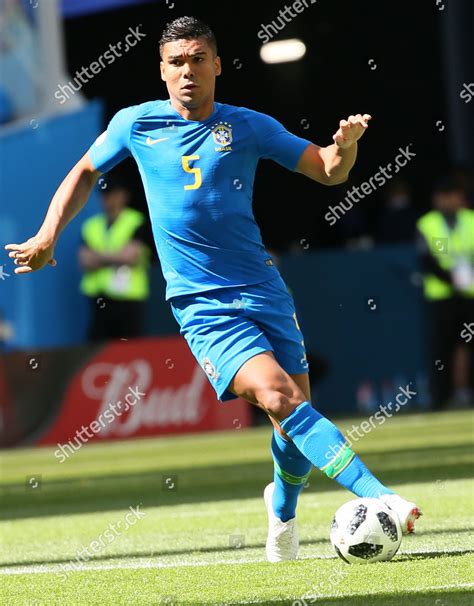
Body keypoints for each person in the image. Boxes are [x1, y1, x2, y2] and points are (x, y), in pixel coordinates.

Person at [4, 16, 421, 562]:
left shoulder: (247, 126)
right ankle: (379, 496)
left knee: (290, 422)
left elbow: (327, 172)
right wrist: (47, 233)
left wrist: (345, 148)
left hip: (265, 289)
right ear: (161, 69)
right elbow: (84, 170)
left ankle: (283, 513)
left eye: (198, 59)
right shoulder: (137, 125)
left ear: (217, 65)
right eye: (176, 62)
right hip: (203, 305)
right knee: (279, 396)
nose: (187, 72)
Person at [417, 176, 474, 409]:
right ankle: (440, 399)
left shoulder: (470, 220)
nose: (454, 200)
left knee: (468, 346)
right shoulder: (427, 223)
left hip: (469, 296)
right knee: (442, 348)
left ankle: (466, 392)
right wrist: (453, 279)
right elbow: (427, 260)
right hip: (442, 297)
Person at [78, 175, 153, 341]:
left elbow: (130, 256)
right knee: (96, 346)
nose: (107, 198)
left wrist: (99, 257)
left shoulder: (136, 221)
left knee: (130, 349)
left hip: (129, 299)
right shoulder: (91, 225)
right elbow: (84, 260)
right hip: (98, 297)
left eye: (112, 193)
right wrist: (116, 256)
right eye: (104, 194)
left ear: (123, 195)